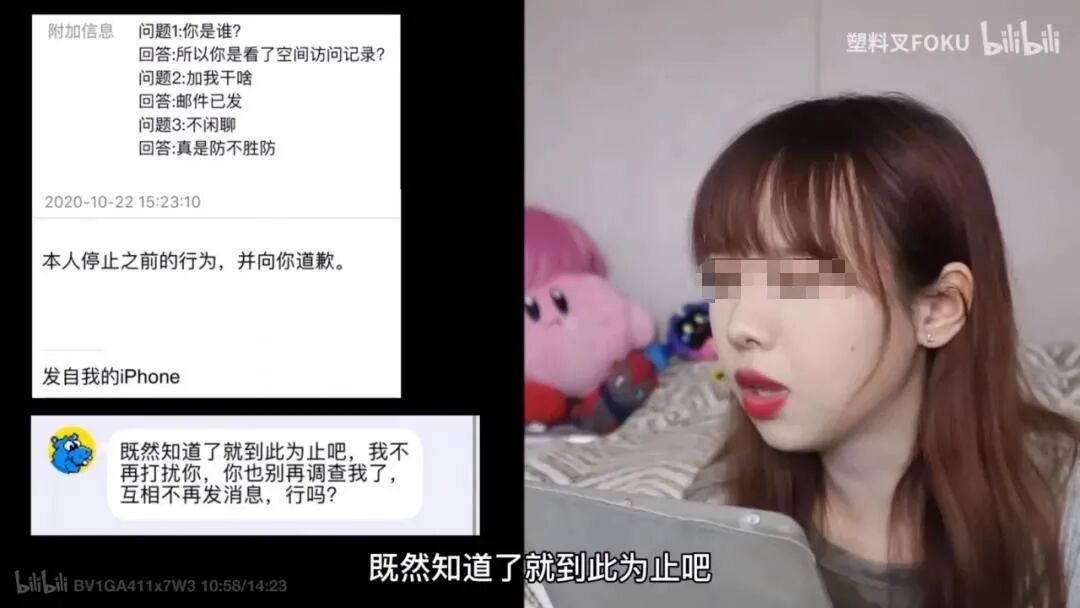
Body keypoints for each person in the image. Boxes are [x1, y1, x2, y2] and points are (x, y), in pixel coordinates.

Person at [682, 93, 1080, 608]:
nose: (739, 327)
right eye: (724, 280)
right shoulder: (721, 509)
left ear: (937, 309)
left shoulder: (1061, 507)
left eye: (798, 282)